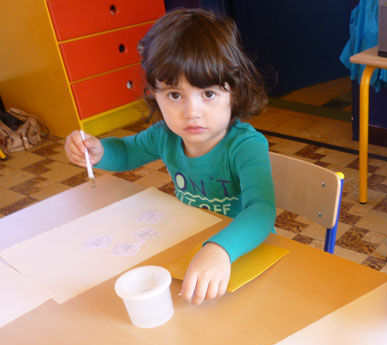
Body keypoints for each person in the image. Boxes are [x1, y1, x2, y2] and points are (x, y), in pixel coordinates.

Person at [64, 8, 274, 305]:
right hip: (193, 243)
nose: (192, 112)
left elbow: (261, 211)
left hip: (245, 249)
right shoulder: (165, 135)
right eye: (175, 95)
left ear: (234, 92)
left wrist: (221, 249)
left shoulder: (246, 146)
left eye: (208, 94)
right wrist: (98, 151)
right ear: (155, 94)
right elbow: (126, 152)